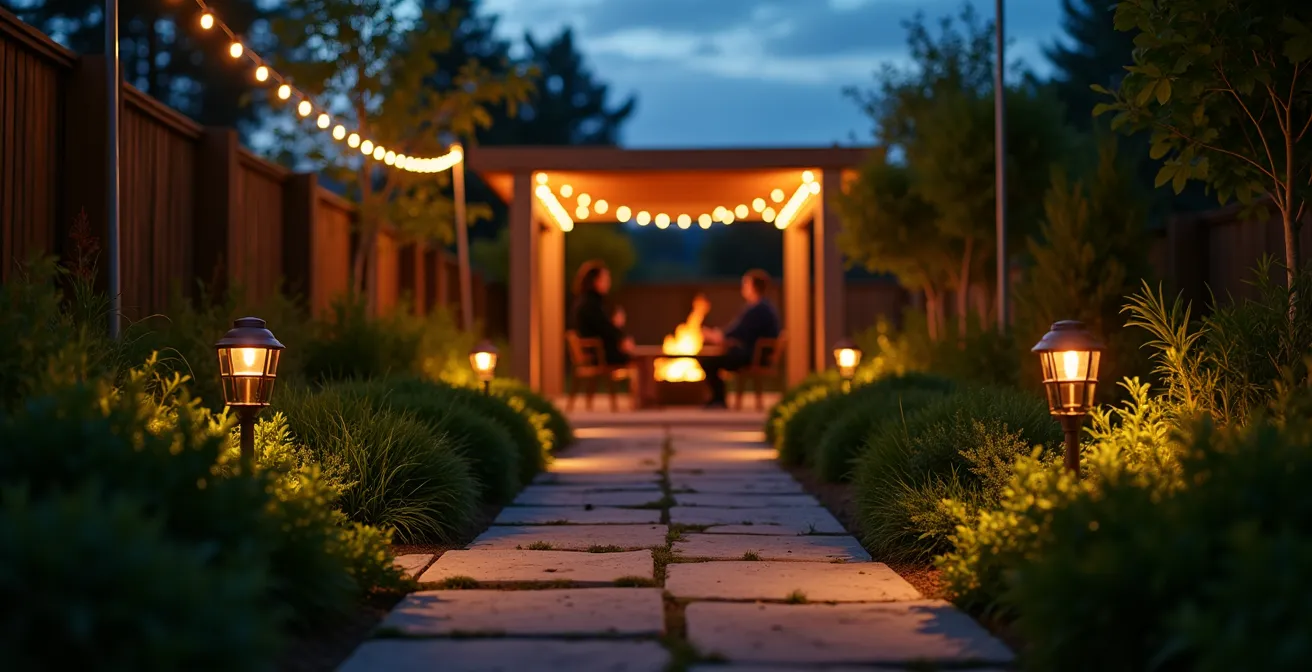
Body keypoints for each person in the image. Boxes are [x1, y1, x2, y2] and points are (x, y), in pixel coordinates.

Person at [697, 269, 781, 409]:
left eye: (746, 284)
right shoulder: (765, 307)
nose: (743, 288)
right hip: (755, 354)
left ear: (753, 287)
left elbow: (735, 332)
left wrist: (714, 336)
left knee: (708, 363)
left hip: (753, 357)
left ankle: (718, 399)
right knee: (718, 358)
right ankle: (718, 399)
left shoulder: (757, 309)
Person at [569, 260, 634, 365]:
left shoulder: (584, 302)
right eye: (605, 279)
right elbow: (605, 331)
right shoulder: (590, 305)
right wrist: (617, 326)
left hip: (597, 354)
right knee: (640, 361)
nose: (608, 283)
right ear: (595, 281)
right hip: (598, 356)